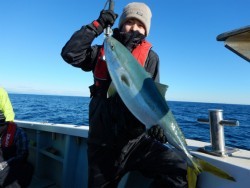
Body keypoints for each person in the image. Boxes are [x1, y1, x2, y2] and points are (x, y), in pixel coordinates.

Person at [61, 2, 187, 187]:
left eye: (140, 24)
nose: (134, 28)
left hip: (136, 143)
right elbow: (70, 53)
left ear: (146, 30)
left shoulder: (151, 58)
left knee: (179, 169)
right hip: (102, 145)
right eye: (129, 21)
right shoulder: (102, 51)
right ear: (120, 24)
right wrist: (97, 26)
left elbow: (155, 97)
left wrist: (156, 124)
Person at [0, 87, 33, 187]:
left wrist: (3, 165)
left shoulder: (18, 133)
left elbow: (23, 154)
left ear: (4, 124)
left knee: (28, 168)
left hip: (11, 164)